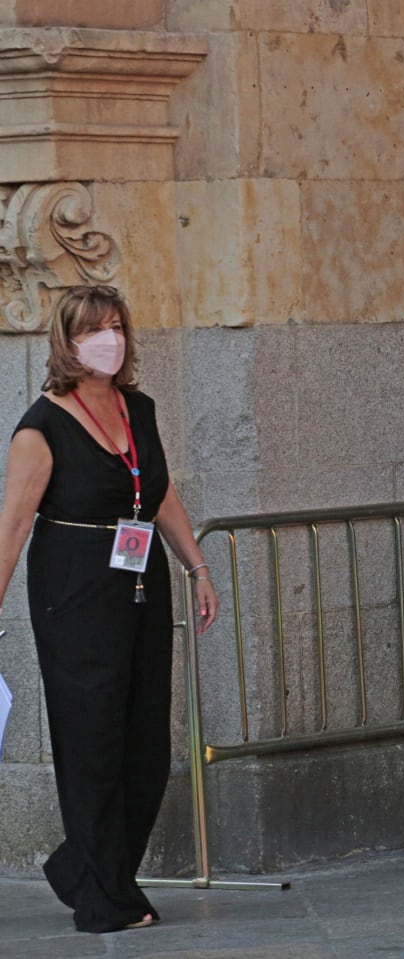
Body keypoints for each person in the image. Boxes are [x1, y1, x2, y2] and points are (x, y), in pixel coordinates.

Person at [0, 285, 219, 932]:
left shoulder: (138, 408)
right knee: (93, 739)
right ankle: (104, 898)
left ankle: (85, 867)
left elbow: (158, 490)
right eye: (95, 329)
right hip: (73, 592)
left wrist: (197, 566)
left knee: (146, 744)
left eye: (118, 326)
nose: (109, 339)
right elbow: (12, 526)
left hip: (139, 582)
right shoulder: (42, 427)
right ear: (67, 343)